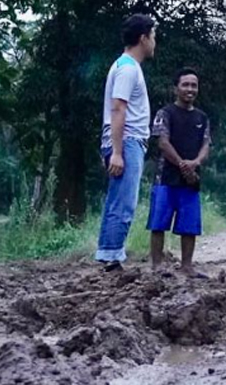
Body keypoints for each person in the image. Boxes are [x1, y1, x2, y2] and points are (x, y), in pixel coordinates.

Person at [95, 14, 156, 271]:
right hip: (127, 142)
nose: (154, 42)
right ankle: (112, 258)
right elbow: (118, 108)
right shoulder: (128, 68)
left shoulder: (126, 66)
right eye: (153, 37)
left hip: (126, 142)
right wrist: (117, 152)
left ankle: (109, 254)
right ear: (143, 38)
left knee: (117, 200)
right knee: (124, 202)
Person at [147, 68, 211, 278]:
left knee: (189, 225)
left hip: (191, 181)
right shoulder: (164, 113)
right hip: (165, 178)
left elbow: (206, 144)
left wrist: (196, 162)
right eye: (185, 85)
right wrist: (183, 164)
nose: (190, 89)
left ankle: (187, 266)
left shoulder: (202, 117)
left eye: (194, 85)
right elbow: (163, 142)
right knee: (158, 223)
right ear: (176, 88)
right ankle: (157, 265)